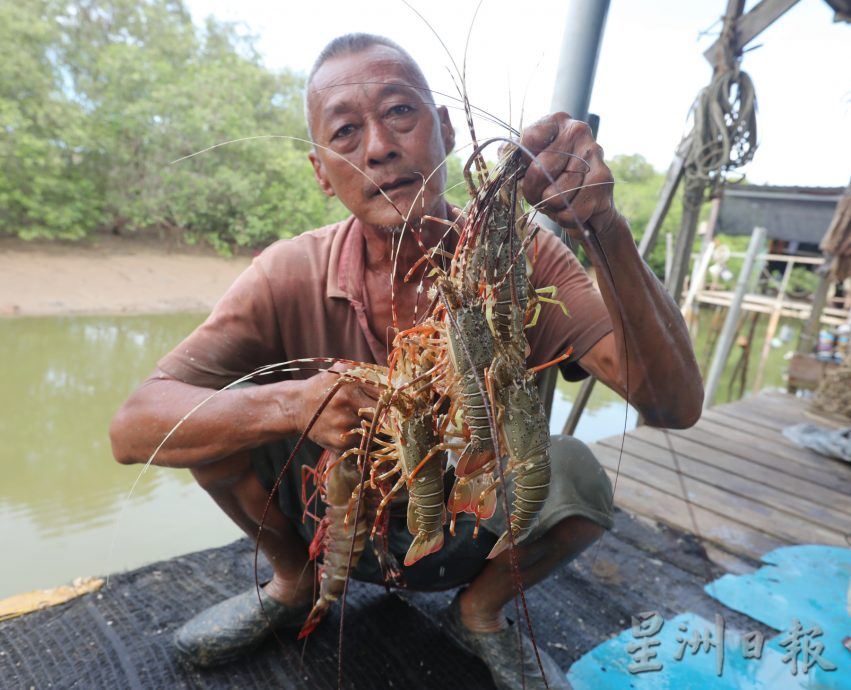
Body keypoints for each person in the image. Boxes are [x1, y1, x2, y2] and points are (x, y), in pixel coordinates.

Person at [109, 33, 702, 689]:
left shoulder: (523, 257)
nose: (379, 147)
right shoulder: (287, 271)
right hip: (338, 526)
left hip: (478, 529)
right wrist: (289, 403)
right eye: (344, 131)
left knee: (578, 476)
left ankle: (478, 611)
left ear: (444, 131)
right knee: (210, 432)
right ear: (320, 173)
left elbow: (671, 406)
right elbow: (133, 427)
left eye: (399, 113)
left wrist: (602, 228)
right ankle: (296, 582)